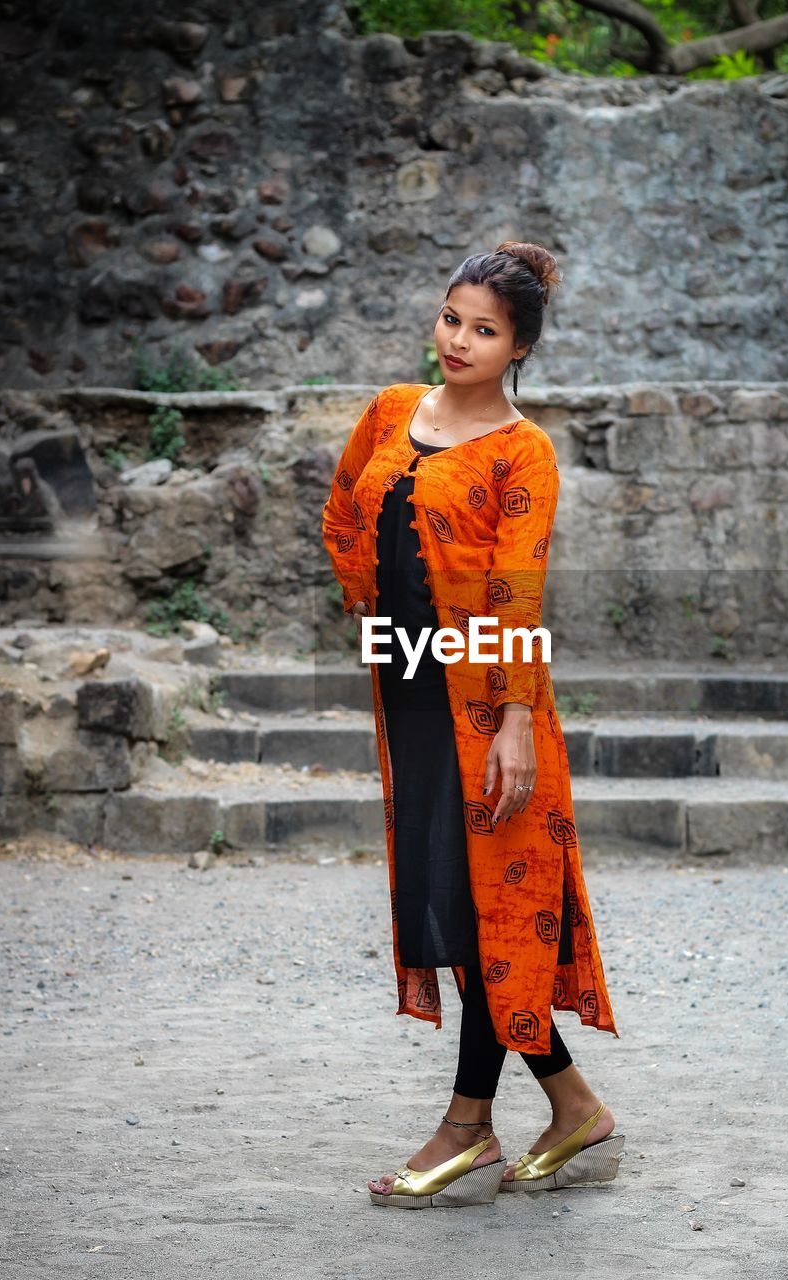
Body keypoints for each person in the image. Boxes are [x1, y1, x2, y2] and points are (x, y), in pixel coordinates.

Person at [321, 242, 622, 1210]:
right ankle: (574, 1106)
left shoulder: (518, 451)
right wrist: (385, 629)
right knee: (448, 904)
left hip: (486, 709)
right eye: (451, 317)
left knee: (486, 911)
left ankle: (466, 1127)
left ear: (518, 347)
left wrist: (514, 722)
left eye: (483, 329)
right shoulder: (384, 410)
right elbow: (340, 518)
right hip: (409, 694)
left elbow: (513, 595)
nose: (458, 340)